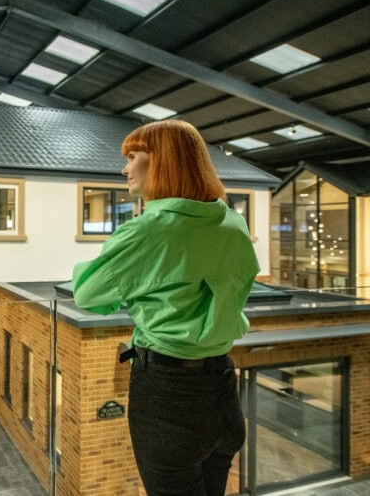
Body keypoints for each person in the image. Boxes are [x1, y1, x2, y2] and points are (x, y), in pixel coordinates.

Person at [72, 119, 259, 496]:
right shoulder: (234, 223)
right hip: (224, 392)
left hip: (168, 398)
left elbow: (88, 293)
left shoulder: (149, 229)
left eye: (133, 157)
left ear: (161, 161)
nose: (125, 168)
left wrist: (140, 288)